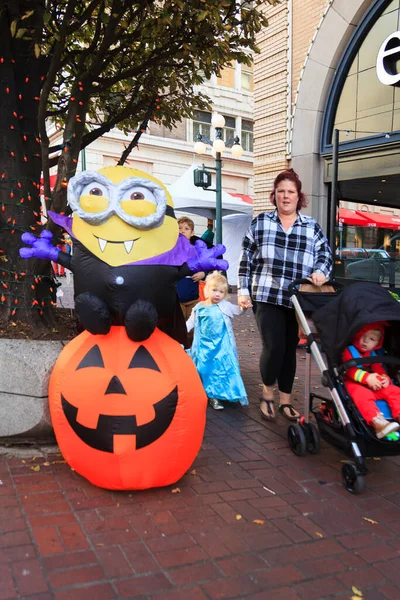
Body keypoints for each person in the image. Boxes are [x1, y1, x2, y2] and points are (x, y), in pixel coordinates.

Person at [237, 168, 332, 421]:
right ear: (275, 194)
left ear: (298, 196)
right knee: (274, 346)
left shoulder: (311, 226)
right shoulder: (261, 222)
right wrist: (243, 291)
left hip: (298, 298)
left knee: (290, 349)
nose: (286, 196)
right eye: (281, 191)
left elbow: (325, 255)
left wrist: (321, 271)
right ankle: (268, 394)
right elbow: (245, 258)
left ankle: (286, 401)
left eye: (291, 192)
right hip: (267, 295)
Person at [187, 271, 248, 410]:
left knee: (222, 370)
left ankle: (225, 393)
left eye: (221, 292)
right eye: (214, 290)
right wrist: (178, 332)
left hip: (222, 346)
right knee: (207, 371)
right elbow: (190, 323)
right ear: (207, 290)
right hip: (204, 347)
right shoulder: (199, 307)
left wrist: (243, 308)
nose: (217, 294)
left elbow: (237, 311)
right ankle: (211, 395)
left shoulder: (225, 306)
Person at [342, 322, 400, 439]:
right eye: (362, 336)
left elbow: (378, 368)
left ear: (377, 343)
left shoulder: (373, 354)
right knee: (363, 394)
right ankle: (378, 423)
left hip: (373, 385)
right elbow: (350, 370)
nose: (365, 341)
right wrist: (367, 377)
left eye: (371, 339)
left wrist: (384, 378)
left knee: (393, 390)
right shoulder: (349, 351)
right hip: (353, 384)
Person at [177, 216, 207, 322]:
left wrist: (203, 273)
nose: (182, 231)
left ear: (192, 233)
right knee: (178, 329)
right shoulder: (172, 250)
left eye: (186, 229)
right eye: (179, 228)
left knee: (192, 329)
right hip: (176, 300)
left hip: (193, 298)